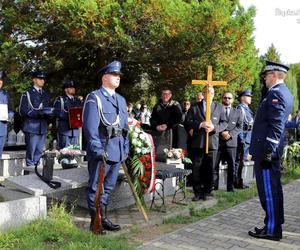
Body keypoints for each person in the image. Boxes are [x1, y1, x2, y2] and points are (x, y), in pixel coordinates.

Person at [248, 61, 293, 241]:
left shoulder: (276, 94)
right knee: (273, 189)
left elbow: (275, 126)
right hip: (270, 149)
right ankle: (271, 225)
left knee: (268, 190)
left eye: (266, 76)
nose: (265, 79)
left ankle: (272, 230)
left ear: (274, 75)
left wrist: (267, 151)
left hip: (267, 151)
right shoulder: (284, 93)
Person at [83, 60, 129, 233]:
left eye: (119, 75)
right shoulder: (95, 98)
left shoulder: (121, 100)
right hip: (102, 151)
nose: (118, 78)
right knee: (96, 187)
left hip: (117, 151)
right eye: (114, 75)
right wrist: (97, 150)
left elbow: (125, 129)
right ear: (104, 77)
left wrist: (125, 149)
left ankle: (104, 218)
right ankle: (95, 222)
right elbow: (90, 129)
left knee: (108, 187)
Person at [185, 86, 227, 201]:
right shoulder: (195, 107)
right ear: (203, 94)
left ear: (214, 94)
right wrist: (200, 124)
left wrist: (214, 127)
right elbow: (188, 122)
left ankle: (207, 191)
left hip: (212, 142)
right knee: (197, 167)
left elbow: (224, 123)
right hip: (198, 143)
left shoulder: (219, 107)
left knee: (210, 167)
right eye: (207, 92)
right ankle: (197, 192)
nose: (209, 95)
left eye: (212, 93)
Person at [19, 70, 51, 169]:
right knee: (31, 151)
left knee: (39, 151)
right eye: (40, 79)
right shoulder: (27, 93)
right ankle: (29, 170)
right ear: (34, 80)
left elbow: (48, 108)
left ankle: (37, 170)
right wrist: (36, 113)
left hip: (43, 126)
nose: (42, 81)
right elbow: (22, 110)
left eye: (43, 79)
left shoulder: (45, 94)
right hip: (32, 126)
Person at [215, 92, 243, 191]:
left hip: (231, 142)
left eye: (229, 98)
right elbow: (214, 123)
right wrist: (221, 133)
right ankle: (214, 187)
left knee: (231, 165)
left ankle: (230, 187)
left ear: (233, 100)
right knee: (215, 165)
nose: (227, 99)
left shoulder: (238, 112)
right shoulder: (216, 110)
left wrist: (230, 134)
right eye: (225, 97)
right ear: (222, 98)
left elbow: (240, 127)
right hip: (218, 141)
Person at [53, 80, 83, 149]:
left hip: (75, 131)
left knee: (74, 151)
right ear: (66, 89)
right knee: (64, 152)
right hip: (64, 130)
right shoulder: (60, 100)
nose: (74, 89)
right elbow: (57, 112)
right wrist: (70, 116)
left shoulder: (77, 100)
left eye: (74, 87)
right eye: (71, 87)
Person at [234, 89, 254, 189]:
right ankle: (237, 182)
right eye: (248, 96)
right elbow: (239, 125)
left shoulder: (247, 109)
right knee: (238, 160)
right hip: (243, 139)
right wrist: (241, 139)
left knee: (243, 160)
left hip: (247, 138)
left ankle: (240, 181)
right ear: (242, 98)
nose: (250, 98)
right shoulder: (240, 109)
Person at [0, 71, 14, 158]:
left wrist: (8, 116)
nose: (0, 82)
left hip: (2, 128)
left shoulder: (5, 95)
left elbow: (11, 110)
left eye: (1, 80)